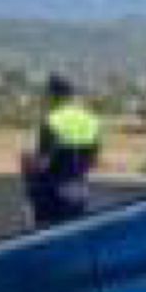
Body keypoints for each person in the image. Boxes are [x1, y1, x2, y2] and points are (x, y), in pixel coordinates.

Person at [23, 74, 102, 228]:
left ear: (53, 96)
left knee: (47, 239)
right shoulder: (92, 120)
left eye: (46, 95)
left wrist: (27, 163)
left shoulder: (52, 121)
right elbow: (93, 161)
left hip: (52, 193)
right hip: (79, 190)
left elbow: (42, 163)